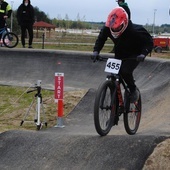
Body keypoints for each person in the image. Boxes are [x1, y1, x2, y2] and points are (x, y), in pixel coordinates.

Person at [92, 7, 153, 103]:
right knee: (115, 75)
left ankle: (132, 89)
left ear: (124, 23)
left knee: (125, 71)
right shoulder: (108, 27)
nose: (115, 29)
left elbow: (149, 42)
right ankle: (115, 112)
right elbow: (101, 39)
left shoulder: (136, 30)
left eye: (117, 28)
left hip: (135, 54)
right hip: (120, 53)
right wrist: (96, 51)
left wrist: (143, 53)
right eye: (113, 28)